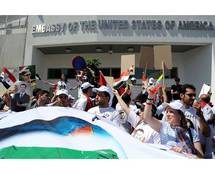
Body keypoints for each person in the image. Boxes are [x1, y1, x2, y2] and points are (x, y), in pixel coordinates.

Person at [142, 85, 204, 158]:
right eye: (167, 111)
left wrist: (185, 152)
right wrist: (150, 96)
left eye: (171, 112)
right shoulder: (163, 126)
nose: (167, 114)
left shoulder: (191, 132)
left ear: (180, 115)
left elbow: (201, 157)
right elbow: (147, 117)